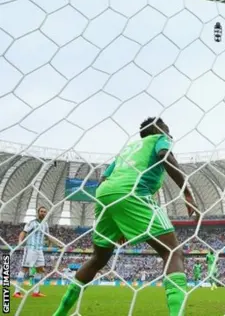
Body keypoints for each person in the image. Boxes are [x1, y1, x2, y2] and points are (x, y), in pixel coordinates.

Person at [53, 117, 198, 316]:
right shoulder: (159, 139)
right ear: (158, 129)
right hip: (132, 191)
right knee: (172, 252)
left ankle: (59, 313)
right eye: (166, 128)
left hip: (105, 194)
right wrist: (187, 193)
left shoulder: (128, 150)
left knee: (98, 258)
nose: (169, 132)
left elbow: (105, 177)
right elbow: (165, 155)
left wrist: (118, 221)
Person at [14, 206, 61, 298]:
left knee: (40, 270)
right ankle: (17, 292)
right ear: (38, 212)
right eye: (41, 211)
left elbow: (48, 236)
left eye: (44, 212)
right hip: (30, 248)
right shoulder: (32, 223)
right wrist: (20, 241)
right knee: (25, 269)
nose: (43, 213)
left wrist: (57, 244)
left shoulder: (45, 224)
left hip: (40, 250)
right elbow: (23, 232)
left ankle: (36, 292)